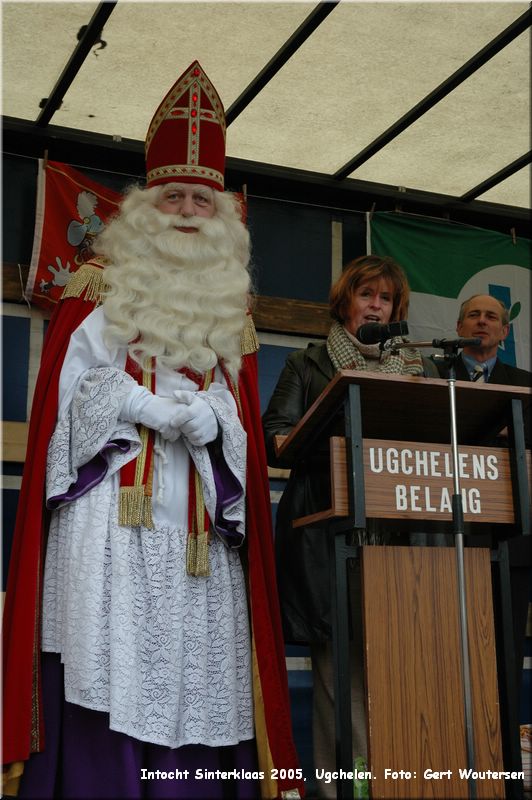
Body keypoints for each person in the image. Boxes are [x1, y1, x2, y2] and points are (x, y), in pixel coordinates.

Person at [2, 61, 304, 800]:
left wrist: (213, 420)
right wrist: (134, 405)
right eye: (174, 196)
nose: (188, 210)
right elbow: (65, 402)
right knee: (105, 667)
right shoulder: (100, 282)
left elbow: (243, 424)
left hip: (199, 527)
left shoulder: (236, 316)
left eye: (203, 200)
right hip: (110, 519)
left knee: (192, 676)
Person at [262, 255, 438, 799]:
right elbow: (278, 435)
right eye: (367, 296)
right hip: (326, 533)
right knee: (340, 680)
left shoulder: (418, 369)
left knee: (396, 670)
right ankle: (349, 790)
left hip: (399, 538)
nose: (376, 305)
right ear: (346, 301)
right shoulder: (309, 363)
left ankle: (397, 781)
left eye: (385, 299)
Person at [435, 293, 531, 387]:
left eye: (491, 317)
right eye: (473, 315)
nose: (481, 321)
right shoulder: (432, 372)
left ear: (504, 332)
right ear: (460, 327)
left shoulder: (525, 382)